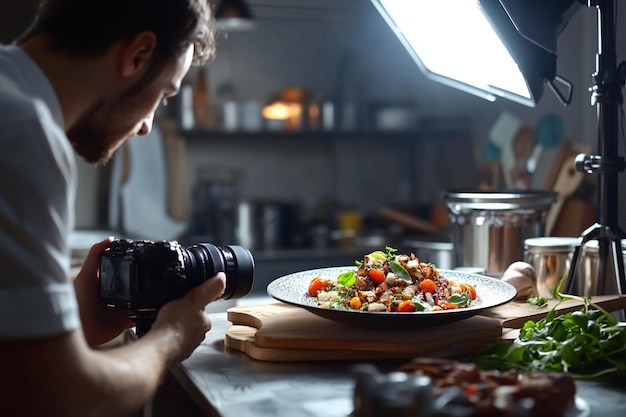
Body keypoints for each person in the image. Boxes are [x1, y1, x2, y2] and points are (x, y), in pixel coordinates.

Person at [0, 1, 227, 416]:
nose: (146, 127)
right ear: (137, 54)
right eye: (164, 93)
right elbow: (58, 398)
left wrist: (74, 319)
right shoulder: (22, 134)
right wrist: (170, 339)